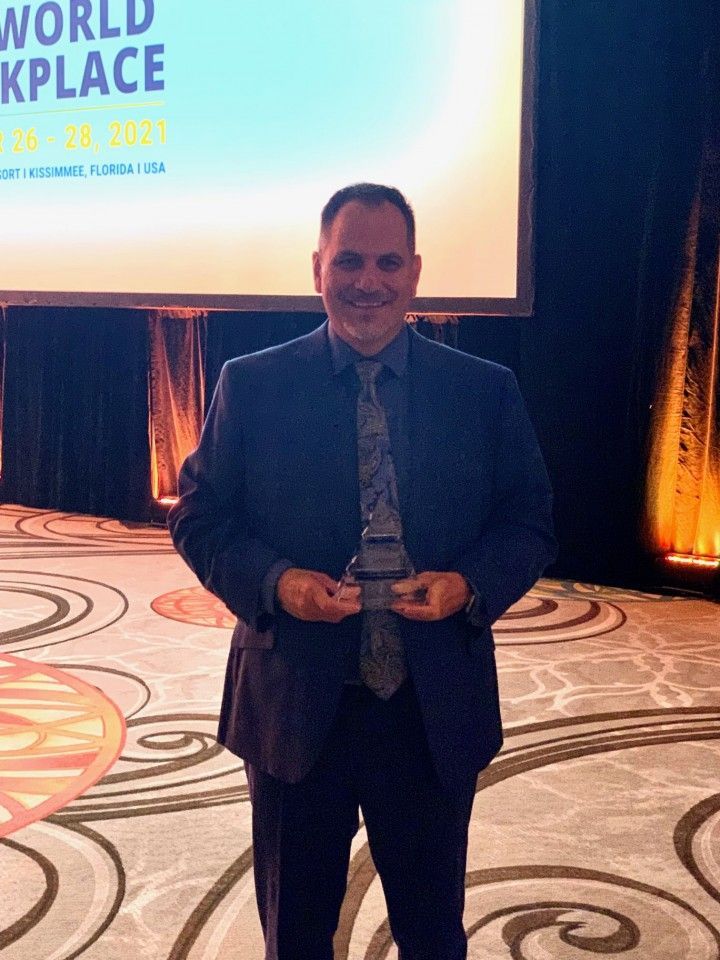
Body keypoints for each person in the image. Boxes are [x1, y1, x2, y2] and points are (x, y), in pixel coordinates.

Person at [168, 183, 556, 960]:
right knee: (297, 934)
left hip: (430, 710)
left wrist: (468, 585)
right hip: (294, 709)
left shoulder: (485, 392)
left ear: (415, 272)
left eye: (386, 262)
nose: (367, 281)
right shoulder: (252, 384)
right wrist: (276, 583)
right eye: (349, 260)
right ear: (318, 267)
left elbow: (530, 523)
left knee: (431, 931)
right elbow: (198, 515)